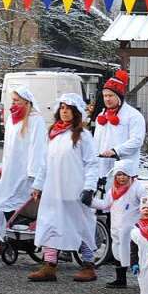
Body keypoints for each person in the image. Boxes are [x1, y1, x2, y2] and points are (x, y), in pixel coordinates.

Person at [28, 94, 98, 283]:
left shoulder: (83, 135)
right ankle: (50, 265)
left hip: (74, 190)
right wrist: (38, 185)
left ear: (76, 112)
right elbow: (45, 163)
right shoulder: (53, 133)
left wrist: (89, 187)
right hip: (53, 190)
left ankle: (88, 265)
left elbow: (92, 163)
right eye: (62, 108)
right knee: (51, 224)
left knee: (80, 226)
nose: (64, 111)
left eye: (69, 108)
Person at [89, 162, 143, 288]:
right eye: (118, 175)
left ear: (130, 175)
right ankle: (121, 279)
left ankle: (143, 281)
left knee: (133, 254)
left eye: (124, 174)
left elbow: (145, 202)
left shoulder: (137, 187)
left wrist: (144, 216)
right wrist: (90, 202)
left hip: (131, 228)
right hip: (116, 226)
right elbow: (105, 205)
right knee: (118, 251)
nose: (121, 178)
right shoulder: (113, 190)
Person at [0, 87, 47, 221]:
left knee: (22, 205)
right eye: (12, 100)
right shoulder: (11, 119)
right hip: (11, 170)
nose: (13, 104)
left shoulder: (35, 120)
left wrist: (33, 173)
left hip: (25, 171)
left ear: (26, 102)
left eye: (16, 101)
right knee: (6, 203)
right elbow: (8, 147)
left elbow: (38, 147)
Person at [92, 70, 146, 187]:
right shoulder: (101, 116)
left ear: (119, 96)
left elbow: (137, 141)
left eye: (110, 95)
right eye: (105, 96)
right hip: (101, 170)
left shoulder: (133, 116)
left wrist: (116, 151)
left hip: (123, 170)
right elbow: (96, 142)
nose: (107, 99)